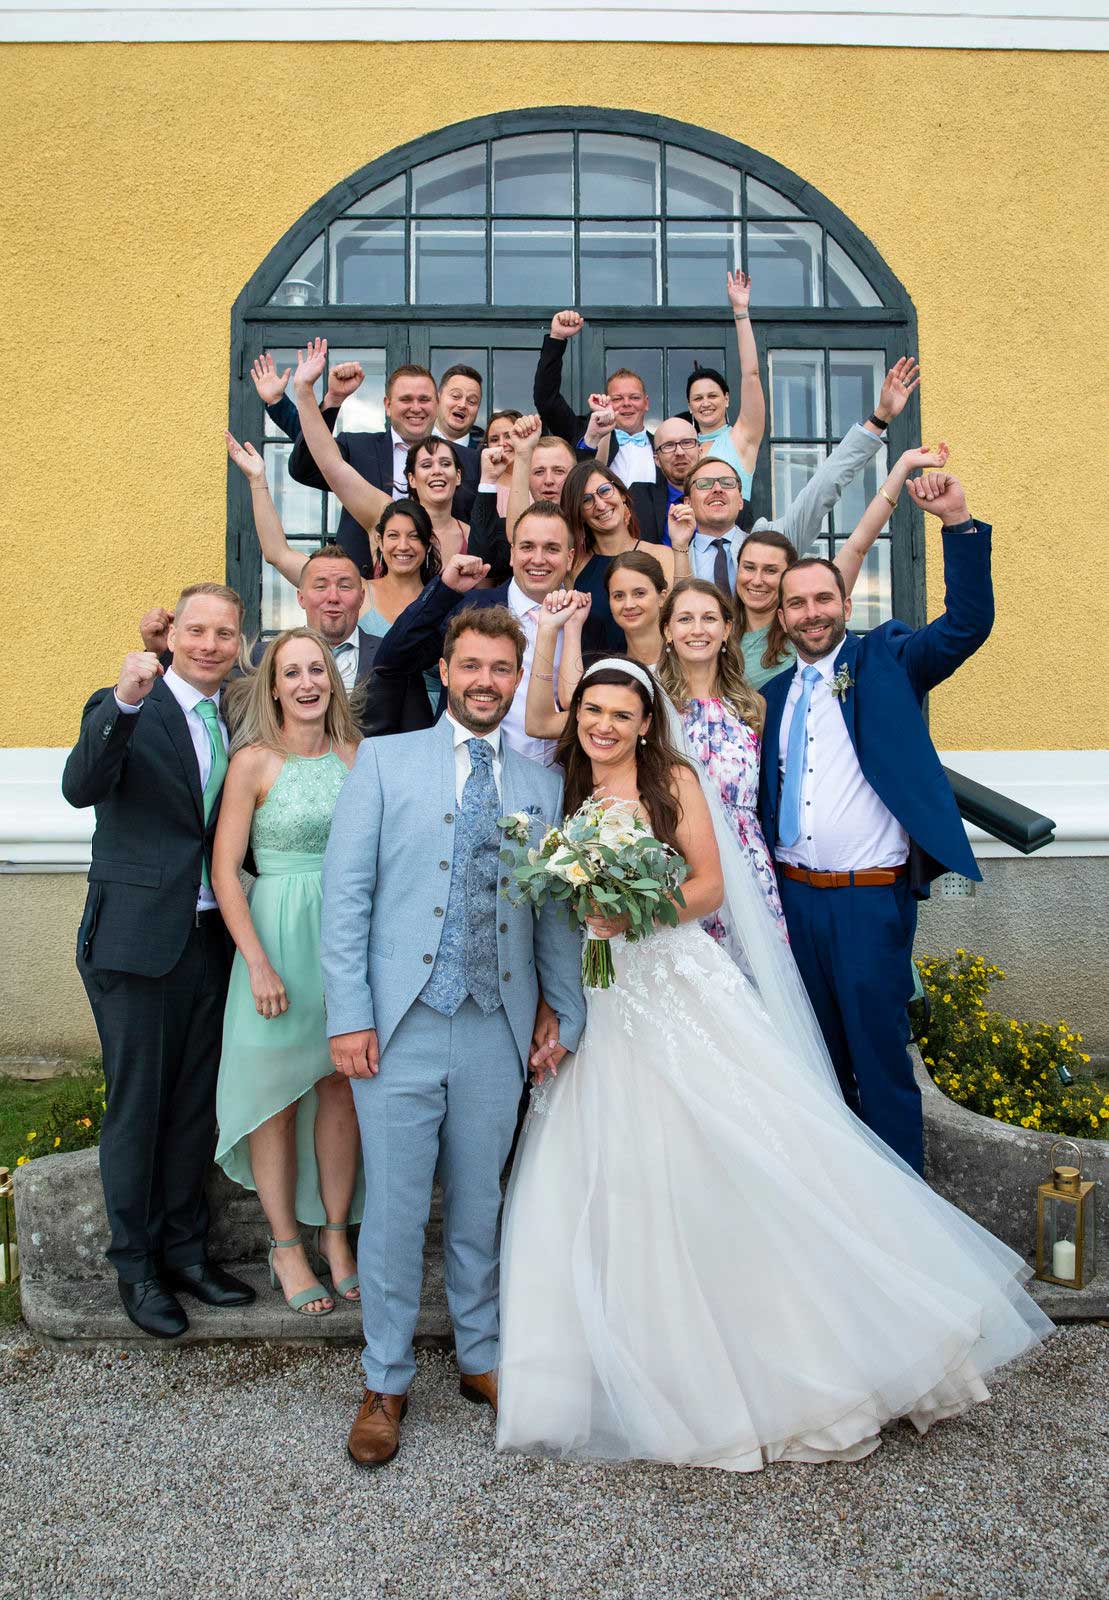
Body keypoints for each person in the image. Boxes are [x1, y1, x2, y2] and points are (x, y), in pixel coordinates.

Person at [496, 657, 1051, 1471]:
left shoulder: (673, 781)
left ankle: (819, 1355)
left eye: (620, 714)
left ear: (646, 724)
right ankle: (636, 1358)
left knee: (738, 1148)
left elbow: (708, 889)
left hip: (673, 982)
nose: (603, 725)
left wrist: (630, 912)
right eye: (592, 711)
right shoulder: (566, 790)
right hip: (603, 997)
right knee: (612, 1166)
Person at [321, 605, 586, 1468]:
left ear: (516, 679)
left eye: (500, 669)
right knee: (395, 1215)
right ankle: (384, 1380)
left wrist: (563, 1010)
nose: (484, 681)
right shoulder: (385, 762)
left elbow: (554, 911)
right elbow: (345, 899)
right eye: (470, 666)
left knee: (480, 1207)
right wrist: (349, 1014)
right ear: (445, 671)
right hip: (397, 1027)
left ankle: (480, 1358)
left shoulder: (540, 786)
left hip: (493, 1027)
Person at [758, 470, 993, 1174]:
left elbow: (966, 625)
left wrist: (956, 523)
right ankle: (837, 1201)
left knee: (879, 1064)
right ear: (780, 617)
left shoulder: (886, 659)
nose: (810, 614)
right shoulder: (770, 696)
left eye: (821, 599)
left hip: (868, 900)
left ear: (844, 601)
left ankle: (904, 1206)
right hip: (791, 900)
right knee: (815, 1062)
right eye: (796, 604)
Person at [61, 584, 255, 1338]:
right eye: (197, 631)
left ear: (238, 643)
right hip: (136, 939)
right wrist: (124, 700)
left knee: (193, 1106)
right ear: (173, 636)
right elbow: (80, 787)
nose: (210, 645)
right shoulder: (127, 704)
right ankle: (135, 1267)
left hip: (209, 936)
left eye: (224, 634)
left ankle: (185, 1253)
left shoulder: (232, 715)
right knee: (139, 1107)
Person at [212, 629, 362, 1316]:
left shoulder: (358, 756)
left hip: (345, 938)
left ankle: (336, 1235)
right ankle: (285, 1246)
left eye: (316, 670)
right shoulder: (252, 763)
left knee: (341, 1085)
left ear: (332, 680)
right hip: (274, 938)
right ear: (273, 688)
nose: (306, 683)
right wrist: (257, 964)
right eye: (292, 673)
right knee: (275, 1097)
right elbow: (224, 871)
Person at [670, 356, 923, 608]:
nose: (717, 489)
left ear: (740, 500)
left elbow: (824, 486)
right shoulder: (672, 559)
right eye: (704, 484)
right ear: (687, 501)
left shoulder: (771, 541)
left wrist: (880, 417)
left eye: (727, 483)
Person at [371, 501, 575, 763]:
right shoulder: (470, 607)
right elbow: (391, 660)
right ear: (512, 554)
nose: (538, 559)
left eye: (551, 548)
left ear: (569, 558)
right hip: (465, 771)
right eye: (527, 547)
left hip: (561, 779)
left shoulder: (586, 621)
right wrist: (444, 589)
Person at [251, 346, 479, 562]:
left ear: (437, 404)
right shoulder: (357, 448)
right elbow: (309, 464)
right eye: (406, 399)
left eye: (424, 399)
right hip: (365, 581)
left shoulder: (468, 460)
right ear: (387, 405)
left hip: (445, 581)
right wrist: (331, 399)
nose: (416, 407)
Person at [657, 578, 784, 945]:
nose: (698, 629)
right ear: (667, 631)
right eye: (685, 619)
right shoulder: (651, 703)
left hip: (747, 865)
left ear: (727, 629)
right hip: (677, 863)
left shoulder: (753, 707)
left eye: (709, 618)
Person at [523, 551, 667, 742]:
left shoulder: (688, 659)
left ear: (662, 597)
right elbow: (541, 724)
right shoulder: (614, 673)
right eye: (618, 596)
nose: (629, 604)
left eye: (639, 593)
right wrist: (560, 626)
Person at [561, 461, 679, 654]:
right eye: (586, 500)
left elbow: (680, 615)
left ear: (622, 494)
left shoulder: (662, 556)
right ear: (579, 513)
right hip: (593, 670)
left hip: (653, 668)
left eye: (605, 491)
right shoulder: (574, 566)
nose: (600, 505)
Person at [533, 310, 656, 486]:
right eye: (617, 398)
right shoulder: (584, 432)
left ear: (646, 403)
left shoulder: (665, 446)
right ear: (607, 402)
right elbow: (546, 399)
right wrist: (557, 338)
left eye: (634, 397)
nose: (627, 404)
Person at [686, 270, 765, 496]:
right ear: (690, 406)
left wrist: (740, 311)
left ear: (727, 398)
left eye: (712, 396)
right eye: (698, 398)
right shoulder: (682, 448)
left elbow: (751, 375)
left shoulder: (741, 437)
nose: (705, 403)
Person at [435, 364, 485, 448]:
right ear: (438, 398)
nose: (462, 405)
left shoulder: (485, 451)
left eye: (471, 401)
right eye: (455, 396)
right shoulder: (415, 440)